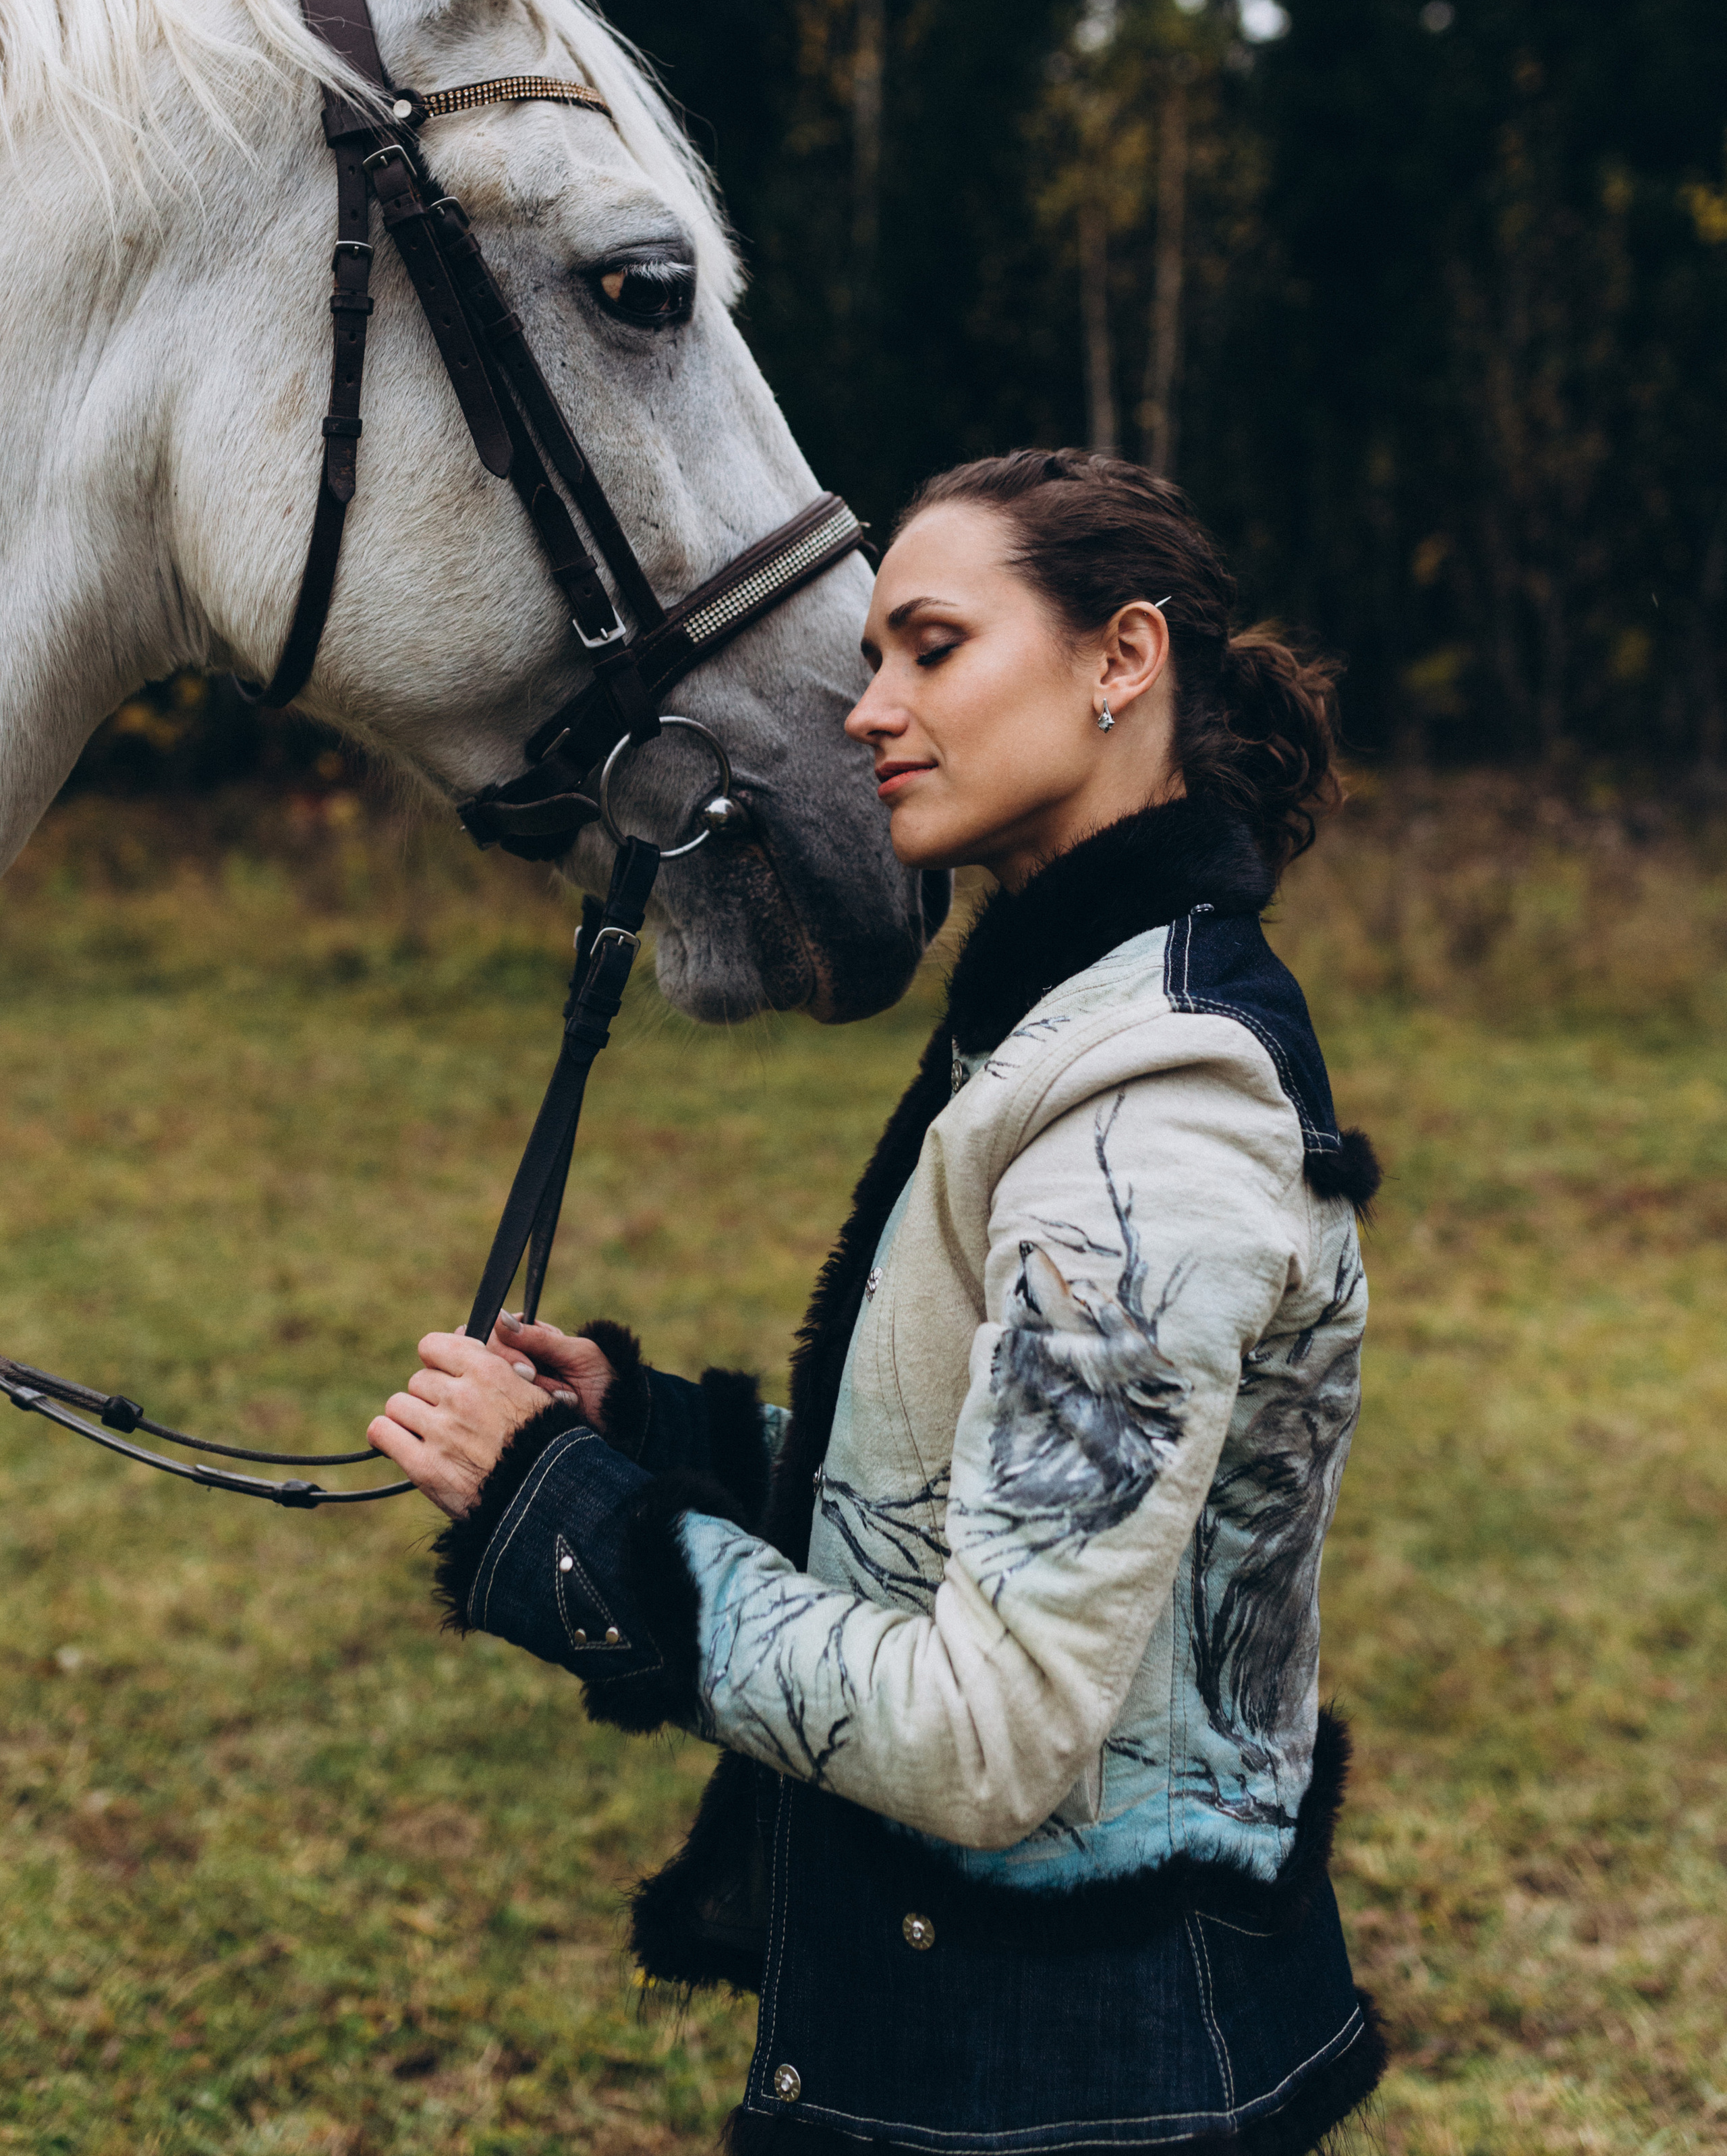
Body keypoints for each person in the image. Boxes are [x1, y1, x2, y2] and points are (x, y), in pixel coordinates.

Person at [369, 449, 1387, 2155]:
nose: (867, 711)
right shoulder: (1072, 1022)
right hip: (1009, 2028)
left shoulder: (1145, 1122)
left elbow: (986, 1738)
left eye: (927, 647)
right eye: (871, 664)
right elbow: (994, 1492)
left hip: (1073, 2082)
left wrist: (577, 1523)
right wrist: (645, 1434)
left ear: (1118, 660)